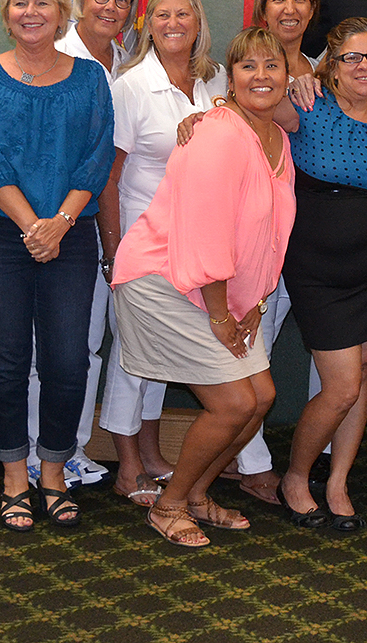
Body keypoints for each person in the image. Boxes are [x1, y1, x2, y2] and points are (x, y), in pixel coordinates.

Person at [111, 28, 295, 547]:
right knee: (234, 402)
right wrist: (220, 315)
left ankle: (195, 495)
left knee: (261, 397)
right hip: (163, 279)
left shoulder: (278, 140)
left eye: (272, 66)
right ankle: (168, 506)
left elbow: (271, 232)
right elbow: (206, 232)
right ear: (229, 79)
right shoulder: (216, 133)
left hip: (216, 287)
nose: (261, 76)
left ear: (287, 75)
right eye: (248, 67)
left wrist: (256, 301)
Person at [0, 0, 114, 533]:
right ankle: (13, 477)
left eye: (42, 3)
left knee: (67, 359)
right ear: (6, 16)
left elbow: (97, 157)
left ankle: (53, 473)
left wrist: (59, 224)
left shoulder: (90, 77)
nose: (31, 13)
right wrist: (32, 227)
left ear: (62, 13)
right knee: (4, 359)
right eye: (19, 4)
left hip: (69, 236)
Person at [98, 0, 225, 507]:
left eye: (183, 14)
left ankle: (151, 456)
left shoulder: (216, 79)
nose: (173, 24)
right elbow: (109, 177)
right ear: (148, 25)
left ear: (198, 23)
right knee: (133, 355)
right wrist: (112, 252)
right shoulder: (131, 85)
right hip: (142, 239)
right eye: (162, 15)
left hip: (197, 243)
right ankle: (127, 465)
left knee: (162, 354)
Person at [279, 18, 367, 531]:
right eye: (352, 57)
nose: (364, 66)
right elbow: (248, 106)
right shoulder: (306, 105)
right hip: (318, 270)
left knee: (363, 373)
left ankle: (337, 482)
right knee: (343, 386)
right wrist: (203, 114)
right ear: (331, 64)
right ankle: (295, 477)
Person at [38, 0, 138, 488]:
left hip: (111, 220)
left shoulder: (128, 62)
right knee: (55, 345)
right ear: (79, 0)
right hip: (61, 222)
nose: (110, 6)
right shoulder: (55, 56)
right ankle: (38, 449)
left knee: (89, 344)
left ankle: (71, 447)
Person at [229, 0, 322, 504]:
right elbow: (232, 111)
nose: (290, 10)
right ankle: (252, 460)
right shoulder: (248, 63)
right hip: (255, 230)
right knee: (252, 341)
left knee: (294, 338)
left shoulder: (326, 65)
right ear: (263, 8)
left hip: (307, 230)